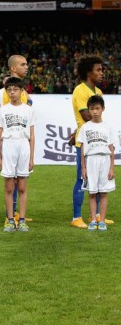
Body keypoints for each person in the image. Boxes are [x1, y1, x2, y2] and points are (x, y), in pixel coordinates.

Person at [70, 55, 112, 228]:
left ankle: (95, 216)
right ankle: (76, 217)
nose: (102, 73)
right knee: (83, 178)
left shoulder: (98, 92)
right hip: (85, 143)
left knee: (97, 179)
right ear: (89, 72)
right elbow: (87, 117)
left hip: (98, 142)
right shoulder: (80, 90)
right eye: (98, 70)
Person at [0, 55, 32, 224]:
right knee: (10, 183)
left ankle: (18, 215)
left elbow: (30, 127)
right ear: (13, 68)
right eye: (22, 64)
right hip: (9, 143)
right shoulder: (2, 96)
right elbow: (0, 125)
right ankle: (9, 216)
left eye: (26, 64)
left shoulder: (25, 95)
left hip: (22, 143)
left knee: (21, 183)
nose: (26, 67)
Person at [77, 95, 115, 231]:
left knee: (103, 192)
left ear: (102, 109)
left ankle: (102, 221)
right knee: (92, 192)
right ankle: (93, 220)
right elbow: (82, 149)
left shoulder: (108, 127)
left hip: (104, 160)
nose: (94, 111)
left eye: (97, 108)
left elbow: (111, 149)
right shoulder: (85, 127)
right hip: (91, 160)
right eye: (91, 109)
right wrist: (83, 167)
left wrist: (112, 168)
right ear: (88, 110)